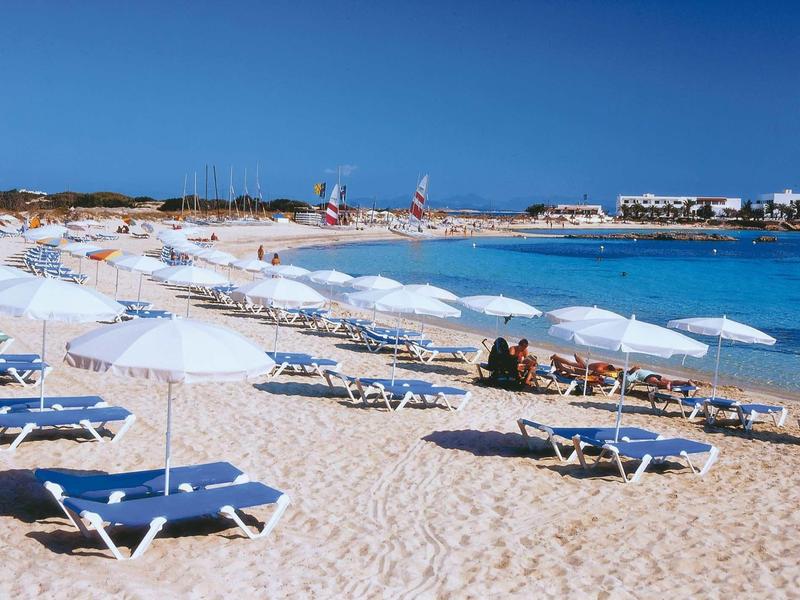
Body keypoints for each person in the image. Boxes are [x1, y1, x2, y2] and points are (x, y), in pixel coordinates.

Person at [624, 366, 694, 391]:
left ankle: (667, 384)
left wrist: (624, 387)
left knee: (657, 383)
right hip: (656, 375)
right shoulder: (643, 370)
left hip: (648, 377)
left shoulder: (636, 372)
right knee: (672, 381)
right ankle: (686, 382)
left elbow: (628, 379)